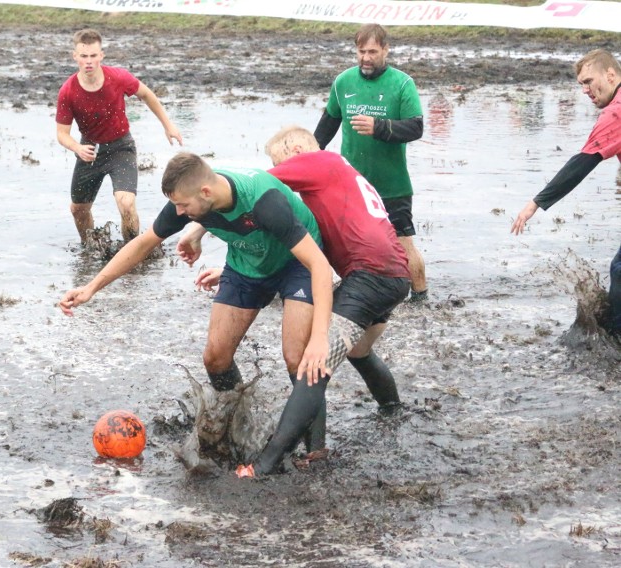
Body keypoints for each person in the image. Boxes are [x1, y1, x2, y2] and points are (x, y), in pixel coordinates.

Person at [189, 127, 411, 477]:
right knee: (357, 350)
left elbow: (249, 188)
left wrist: (198, 227)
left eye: (279, 160)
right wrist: (235, 265)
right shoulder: (338, 174)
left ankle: (268, 461)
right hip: (392, 273)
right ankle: (393, 408)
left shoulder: (318, 161)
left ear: (295, 149)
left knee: (313, 360)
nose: (283, 174)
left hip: (370, 276)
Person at [59, 152, 334, 424]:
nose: (179, 213)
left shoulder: (264, 202)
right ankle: (239, 425)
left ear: (205, 191)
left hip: (296, 263)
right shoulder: (192, 199)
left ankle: (315, 450)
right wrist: (92, 287)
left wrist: (320, 338)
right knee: (215, 358)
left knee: (298, 358)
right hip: (247, 262)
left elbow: (319, 265)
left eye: (183, 205)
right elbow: (143, 244)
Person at [314, 23, 428, 303]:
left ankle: (421, 298)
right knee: (340, 241)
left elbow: (416, 128)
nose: (366, 58)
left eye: (373, 52)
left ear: (386, 50)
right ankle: (337, 292)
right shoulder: (343, 82)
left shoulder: (402, 83)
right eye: (361, 51)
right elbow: (326, 128)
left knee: (402, 244)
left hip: (392, 184)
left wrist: (379, 127)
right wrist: (307, 160)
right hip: (352, 184)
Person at [512, 49, 621, 337]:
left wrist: (536, 202)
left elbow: (583, 162)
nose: (586, 90)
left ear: (611, 75)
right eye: (581, 85)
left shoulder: (616, 112)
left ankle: (613, 337)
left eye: (589, 81)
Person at [56, 29, 183, 244]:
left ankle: (132, 250)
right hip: (89, 151)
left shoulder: (118, 77)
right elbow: (62, 134)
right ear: (75, 56)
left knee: (126, 203)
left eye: (93, 56)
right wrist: (77, 148)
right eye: (84, 56)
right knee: (78, 209)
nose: (89, 62)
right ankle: (89, 249)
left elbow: (146, 94)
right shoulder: (68, 91)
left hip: (120, 147)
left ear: (101, 56)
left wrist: (167, 125)